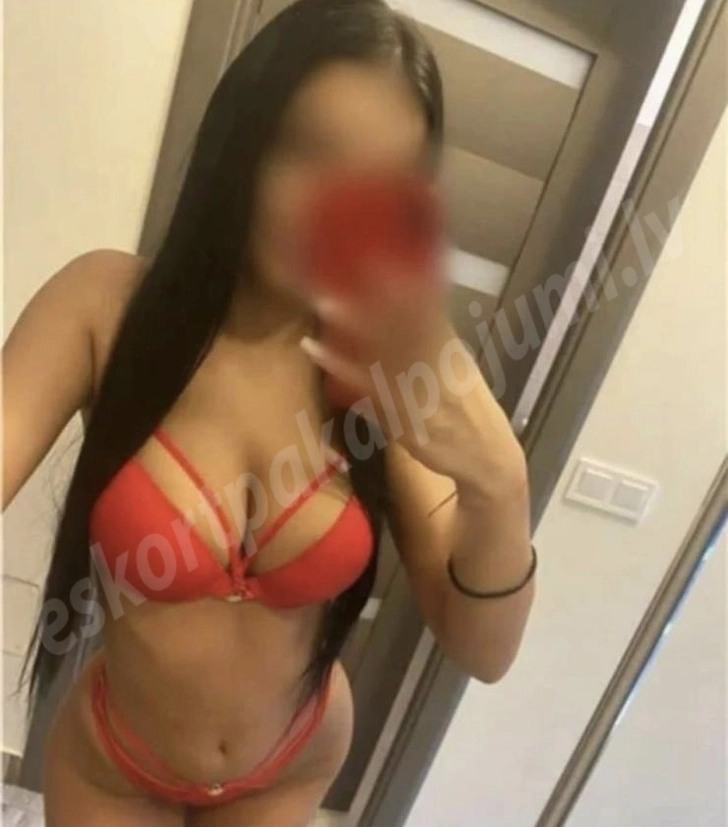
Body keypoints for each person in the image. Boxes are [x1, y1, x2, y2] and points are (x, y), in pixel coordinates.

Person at [2, 1, 536, 824]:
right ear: (243, 140)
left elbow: (485, 652)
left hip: (293, 761)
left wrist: (501, 480)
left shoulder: (390, 363)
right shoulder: (105, 305)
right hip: (120, 763)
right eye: (308, 149)